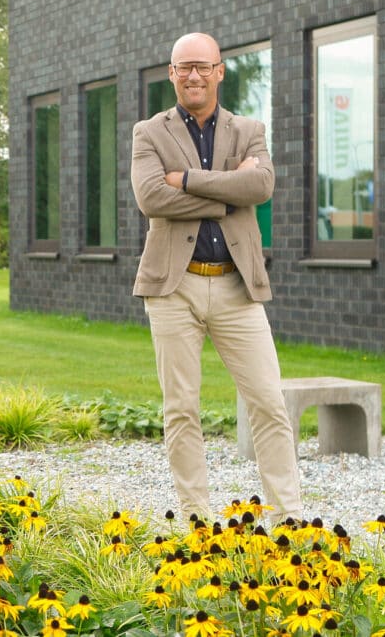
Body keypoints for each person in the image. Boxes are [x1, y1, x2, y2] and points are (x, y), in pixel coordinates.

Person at [130, 32, 303, 524]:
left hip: (236, 286)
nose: (194, 76)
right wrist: (230, 192)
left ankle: (288, 519)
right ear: (172, 74)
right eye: (184, 67)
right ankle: (196, 522)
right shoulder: (149, 132)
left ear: (219, 71)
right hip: (173, 286)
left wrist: (184, 179)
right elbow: (150, 199)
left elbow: (261, 185)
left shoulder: (249, 130)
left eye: (203, 66)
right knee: (181, 408)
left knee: (269, 403)